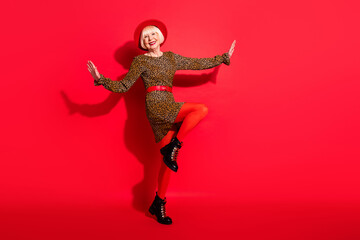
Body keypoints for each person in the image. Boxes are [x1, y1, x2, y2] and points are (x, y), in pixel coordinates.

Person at [87, 19, 235, 225]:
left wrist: (223, 58)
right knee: (200, 109)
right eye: (145, 37)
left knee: (167, 163)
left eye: (153, 34)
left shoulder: (172, 58)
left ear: (160, 37)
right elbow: (123, 86)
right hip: (155, 106)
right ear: (142, 42)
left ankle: (159, 203)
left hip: (169, 102)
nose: (150, 39)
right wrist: (100, 78)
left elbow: (196, 63)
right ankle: (175, 146)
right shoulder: (140, 62)